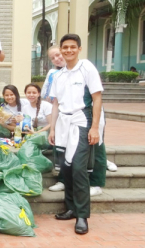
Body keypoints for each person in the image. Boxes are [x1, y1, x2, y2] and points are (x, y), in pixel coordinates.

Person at [48, 34, 103, 235]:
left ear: (79, 49)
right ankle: (71, 208)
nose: (69, 50)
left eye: (73, 47)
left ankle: (82, 215)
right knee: (66, 167)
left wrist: (95, 127)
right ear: (61, 50)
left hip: (82, 120)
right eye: (65, 47)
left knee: (79, 167)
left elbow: (97, 98)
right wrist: (52, 128)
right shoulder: (58, 75)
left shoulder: (87, 67)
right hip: (63, 122)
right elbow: (55, 104)